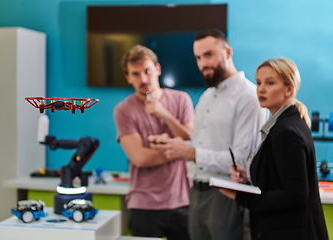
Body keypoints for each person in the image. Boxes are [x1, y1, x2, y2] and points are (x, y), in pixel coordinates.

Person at [149, 29, 269, 240]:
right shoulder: (206, 97)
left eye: (209, 54)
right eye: (198, 57)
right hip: (197, 194)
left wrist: (189, 153)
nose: (203, 63)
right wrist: (175, 145)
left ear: (228, 52)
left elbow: (243, 161)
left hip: (228, 197)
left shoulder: (249, 97)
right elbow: (200, 145)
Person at [219, 57, 329, 240]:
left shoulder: (286, 130)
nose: (261, 89)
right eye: (259, 82)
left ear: (289, 89)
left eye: (270, 83)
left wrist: (241, 197)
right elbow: (281, 177)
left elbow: (295, 194)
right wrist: (250, 177)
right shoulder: (287, 123)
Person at [113, 45, 194, 240]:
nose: (143, 79)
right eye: (136, 74)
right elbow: (139, 158)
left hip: (184, 201)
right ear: (128, 78)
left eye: (147, 71)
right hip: (144, 205)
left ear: (157, 69)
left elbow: (191, 142)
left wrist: (164, 114)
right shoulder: (123, 110)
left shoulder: (181, 99)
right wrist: (177, 150)